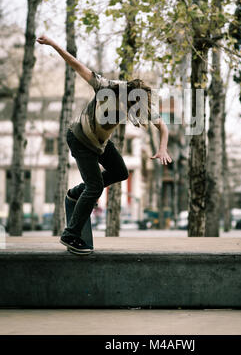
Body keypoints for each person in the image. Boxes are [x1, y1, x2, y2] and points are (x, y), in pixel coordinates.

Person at [36, 34, 172, 255]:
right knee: (96, 186)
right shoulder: (106, 87)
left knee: (121, 172)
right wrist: (53, 44)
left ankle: (76, 193)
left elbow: (162, 127)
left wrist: (163, 148)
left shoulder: (139, 102)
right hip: (80, 139)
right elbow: (76, 64)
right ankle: (70, 234)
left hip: (100, 143)